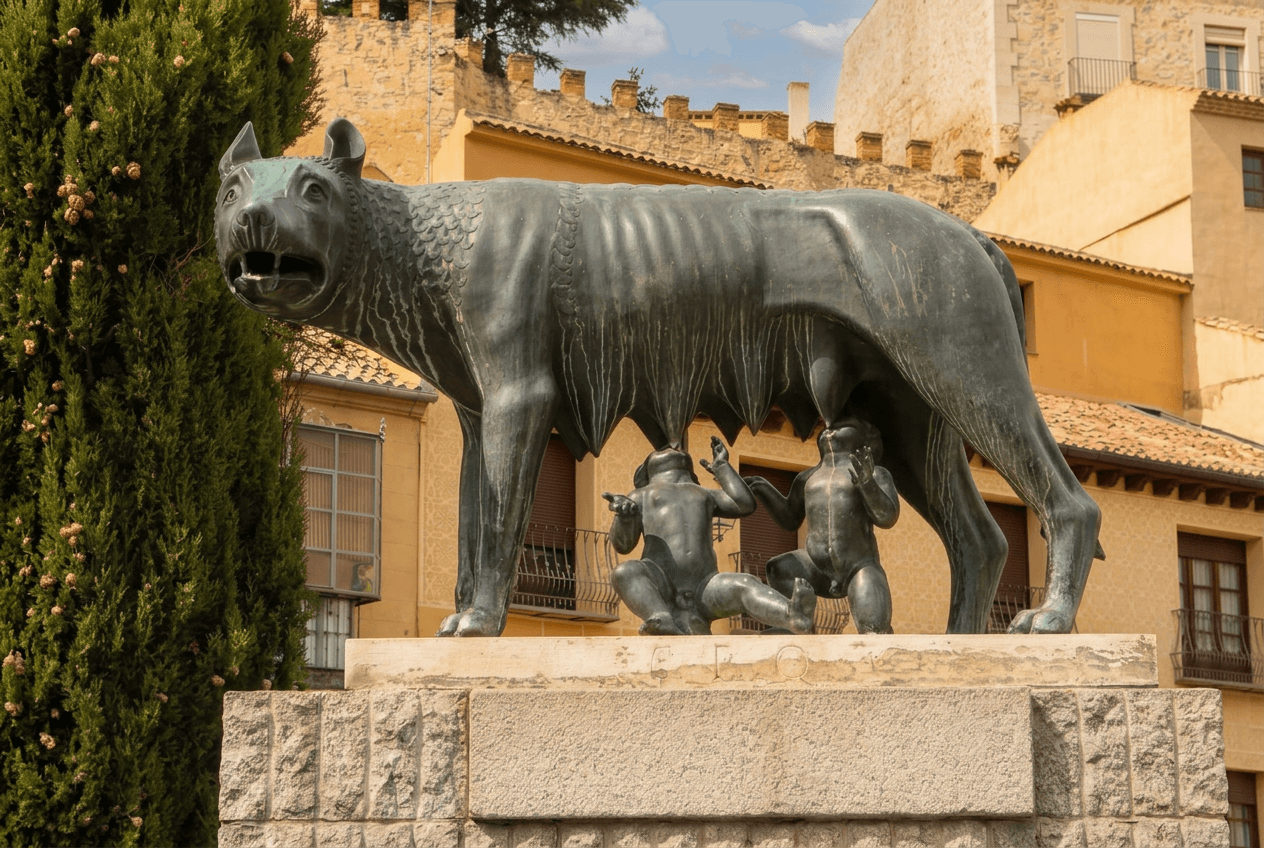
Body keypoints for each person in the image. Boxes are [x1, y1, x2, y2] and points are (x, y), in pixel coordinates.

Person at [605, 436, 816, 636]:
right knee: (624, 572)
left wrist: (722, 466)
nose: (673, 447)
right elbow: (622, 545)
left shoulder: (705, 494)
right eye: (662, 449)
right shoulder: (640, 495)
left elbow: (744, 503)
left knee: (745, 583)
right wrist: (625, 517)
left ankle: (792, 614)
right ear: (647, 468)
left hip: (706, 587)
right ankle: (659, 616)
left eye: (676, 448)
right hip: (661, 582)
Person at [744, 420, 898, 634]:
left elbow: (887, 517)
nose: (829, 429)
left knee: (875, 631)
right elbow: (789, 519)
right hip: (814, 566)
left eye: (841, 425)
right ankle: (797, 625)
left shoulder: (876, 473)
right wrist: (763, 488)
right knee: (779, 568)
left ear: (864, 436)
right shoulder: (806, 478)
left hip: (859, 566)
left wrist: (867, 484)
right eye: (826, 427)